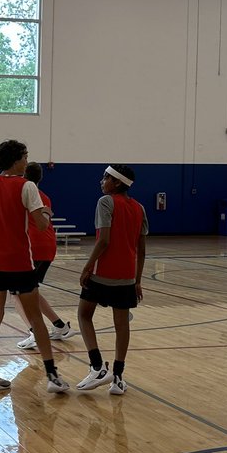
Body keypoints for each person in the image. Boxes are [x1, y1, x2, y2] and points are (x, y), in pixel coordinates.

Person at [0, 140, 69, 394]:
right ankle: (52, 375)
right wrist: (46, 213)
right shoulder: (27, 186)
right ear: (16, 160)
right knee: (36, 318)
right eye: (25, 156)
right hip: (19, 262)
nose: (27, 161)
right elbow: (40, 225)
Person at [75, 165, 148, 395]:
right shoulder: (139, 208)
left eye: (106, 177)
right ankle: (117, 377)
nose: (102, 181)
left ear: (117, 183)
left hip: (102, 273)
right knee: (122, 325)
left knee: (84, 315)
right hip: (126, 277)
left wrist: (87, 267)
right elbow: (142, 249)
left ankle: (97, 366)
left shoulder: (105, 202)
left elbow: (104, 240)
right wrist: (137, 280)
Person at [14, 161, 75, 350]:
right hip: (48, 246)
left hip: (32, 247)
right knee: (31, 291)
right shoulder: (45, 197)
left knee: (17, 294)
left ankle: (33, 332)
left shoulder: (21, 194)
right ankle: (60, 326)